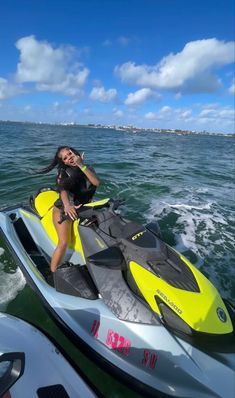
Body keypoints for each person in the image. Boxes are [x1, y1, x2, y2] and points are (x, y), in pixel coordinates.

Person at [37, 146, 100, 273]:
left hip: (83, 208)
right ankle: (53, 272)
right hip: (63, 210)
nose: (69, 157)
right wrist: (67, 205)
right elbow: (63, 190)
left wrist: (81, 165)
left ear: (75, 152)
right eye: (65, 158)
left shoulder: (88, 169)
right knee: (64, 242)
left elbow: (96, 182)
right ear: (64, 162)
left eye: (70, 153)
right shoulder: (64, 173)